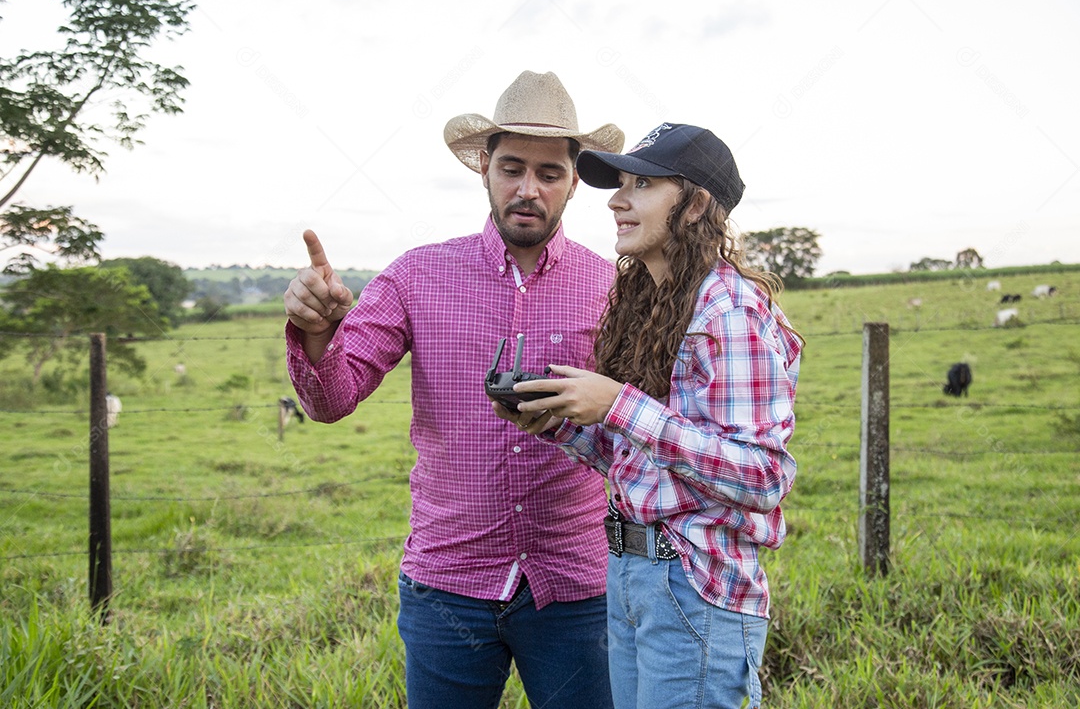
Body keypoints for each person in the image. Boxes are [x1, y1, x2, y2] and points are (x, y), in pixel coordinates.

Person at [283, 71, 624, 709]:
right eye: (512, 167)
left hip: (576, 585)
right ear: (485, 170)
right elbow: (330, 401)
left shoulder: (611, 287)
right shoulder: (417, 274)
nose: (529, 189)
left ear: (574, 181)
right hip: (449, 583)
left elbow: (638, 421)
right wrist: (318, 333)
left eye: (549, 173)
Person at [496, 123, 802, 709]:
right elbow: (647, 460)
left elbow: (762, 478)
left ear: (696, 206)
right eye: (621, 183)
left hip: (694, 586)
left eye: (641, 184)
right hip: (631, 574)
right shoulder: (656, 305)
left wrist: (618, 404)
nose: (617, 199)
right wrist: (560, 422)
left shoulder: (729, 310)